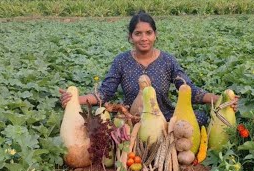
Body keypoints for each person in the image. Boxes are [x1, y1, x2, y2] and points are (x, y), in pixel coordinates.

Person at [59, 11, 238, 125]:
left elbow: (189, 90)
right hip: (132, 119)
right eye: (138, 34)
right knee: (103, 124)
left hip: (165, 118)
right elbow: (104, 94)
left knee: (199, 117)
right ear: (130, 37)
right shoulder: (121, 61)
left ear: (155, 35)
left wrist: (221, 98)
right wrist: (74, 98)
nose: (144, 38)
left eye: (148, 33)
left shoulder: (168, 60)